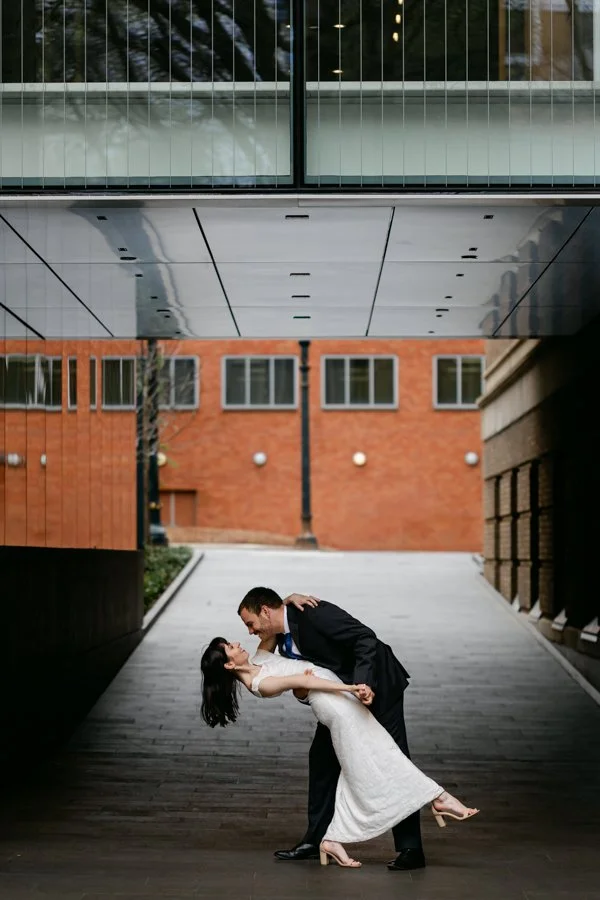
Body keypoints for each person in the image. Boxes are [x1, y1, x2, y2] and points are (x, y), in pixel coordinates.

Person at [200, 637, 479, 868]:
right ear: (228, 663)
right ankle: (438, 797)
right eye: (230, 647)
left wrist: (289, 599)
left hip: (338, 699)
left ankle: (332, 839)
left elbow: (271, 623)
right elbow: (308, 684)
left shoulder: (261, 656)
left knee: (361, 768)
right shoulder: (259, 683)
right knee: (381, 757)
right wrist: (350, 687)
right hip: (335, 705)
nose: (237, 642)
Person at [237, 586, 431, 870]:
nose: (251, 631)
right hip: (343, 699)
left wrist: (364, 683)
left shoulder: (314, 614)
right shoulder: (280, 637)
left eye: (251, 624)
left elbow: (365, 638)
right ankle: (316, 841)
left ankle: (412, 849)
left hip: (379, 685)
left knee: (395, 760)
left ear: (265, 611)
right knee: (322, 759)